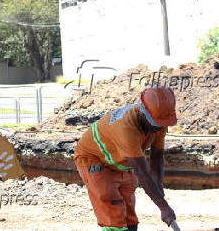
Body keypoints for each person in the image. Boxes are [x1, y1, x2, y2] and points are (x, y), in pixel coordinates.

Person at [74, 86, 177, 231]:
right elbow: (142, 172)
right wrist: (164, 207)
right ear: (144, 113)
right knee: (112, 206)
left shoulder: (159, 121)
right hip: (93, 159)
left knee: (128, 209)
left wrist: (159, 188)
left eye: (163, 124)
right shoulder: (126, 128)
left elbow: (156, 157)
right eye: (156, 124)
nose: (160, 129)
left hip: (120, 161)